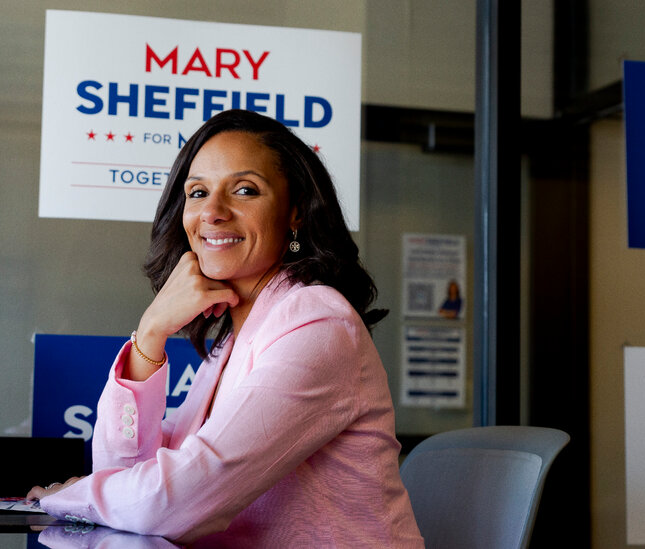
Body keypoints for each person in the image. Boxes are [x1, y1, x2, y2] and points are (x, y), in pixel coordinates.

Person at [27, 110, 423, 547]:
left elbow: (178, 501)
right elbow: (126, 478)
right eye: (198, 192)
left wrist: (78, 497)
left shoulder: (316, 320)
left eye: (245, 190)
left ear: (295, 213)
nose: (212, 212)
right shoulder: (235, 338)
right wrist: (151, 332)